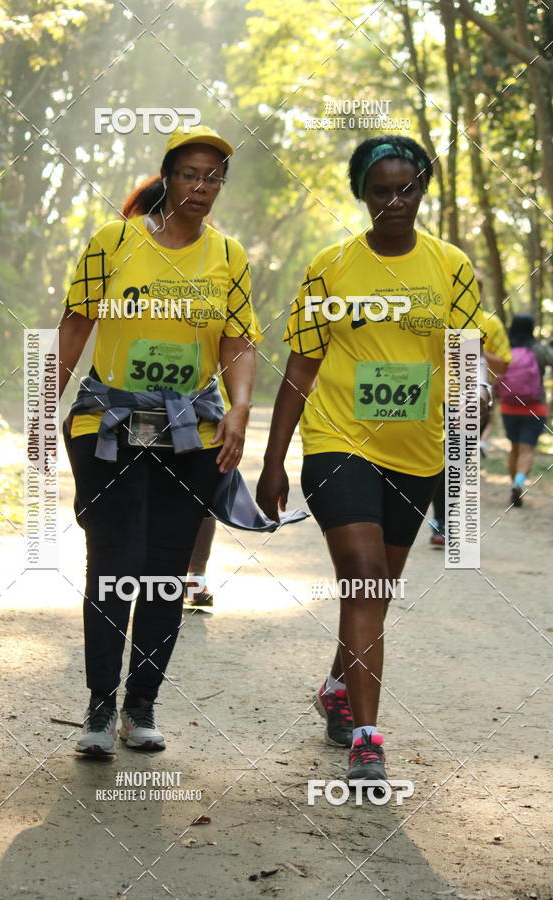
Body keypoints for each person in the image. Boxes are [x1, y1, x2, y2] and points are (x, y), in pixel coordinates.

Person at [256, 136, 488, 784]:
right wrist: (273, 462)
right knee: (361, 574)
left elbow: (466, 365)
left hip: (416, 454)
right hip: (338, 441)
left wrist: (468, 439)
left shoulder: (451, 268)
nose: (394, 201)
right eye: (380, 190)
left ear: (422, 190)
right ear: (362, 194)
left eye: (406, 189)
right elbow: (300, 367)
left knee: (374, 591)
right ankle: (367, 737)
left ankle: (338, 686)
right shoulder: (331, 267)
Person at [58, 125, 259, 754]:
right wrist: (43, 409)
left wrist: (241, 406)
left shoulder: (228, 257)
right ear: (167, 177)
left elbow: (239, 340)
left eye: (214, 177)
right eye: (191, 174)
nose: (202, 187)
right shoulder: (114, 242)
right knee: (115, 564)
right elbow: (74, 323)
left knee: (166, 572)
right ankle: (98, 706)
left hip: (188, 434)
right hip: (107, 426)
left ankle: (140, 706)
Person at [428, 307, 510, 546]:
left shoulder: (490, 322)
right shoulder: (430, 315)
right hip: (430, 400)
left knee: (456, 463)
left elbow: (503, 365)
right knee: (432, 461)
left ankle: (441, 521)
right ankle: (437, 520)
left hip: (469, 403)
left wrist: (474, 347)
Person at [498, 313, 553, 507]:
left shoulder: (505, 347)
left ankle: (513, 487)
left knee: (514, 448)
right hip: (535, 406)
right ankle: (518, 483)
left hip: (508, 406)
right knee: (527, 449)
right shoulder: (538, 349)